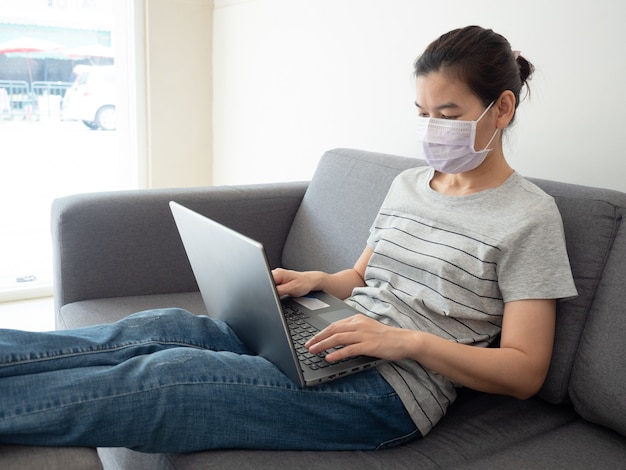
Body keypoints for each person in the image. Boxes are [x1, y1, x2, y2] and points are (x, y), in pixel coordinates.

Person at [0, 26, 577, 452]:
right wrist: (318, 283)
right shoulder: (409, 183)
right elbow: (361, 278)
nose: (432, 130)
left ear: (500, 109)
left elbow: (525, 371)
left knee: (165, 378)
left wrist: (406, 342)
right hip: (333, 336)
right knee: (157, 329)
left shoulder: (529, 218)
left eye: (448, 116)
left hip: (389, 391)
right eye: (423, 113)